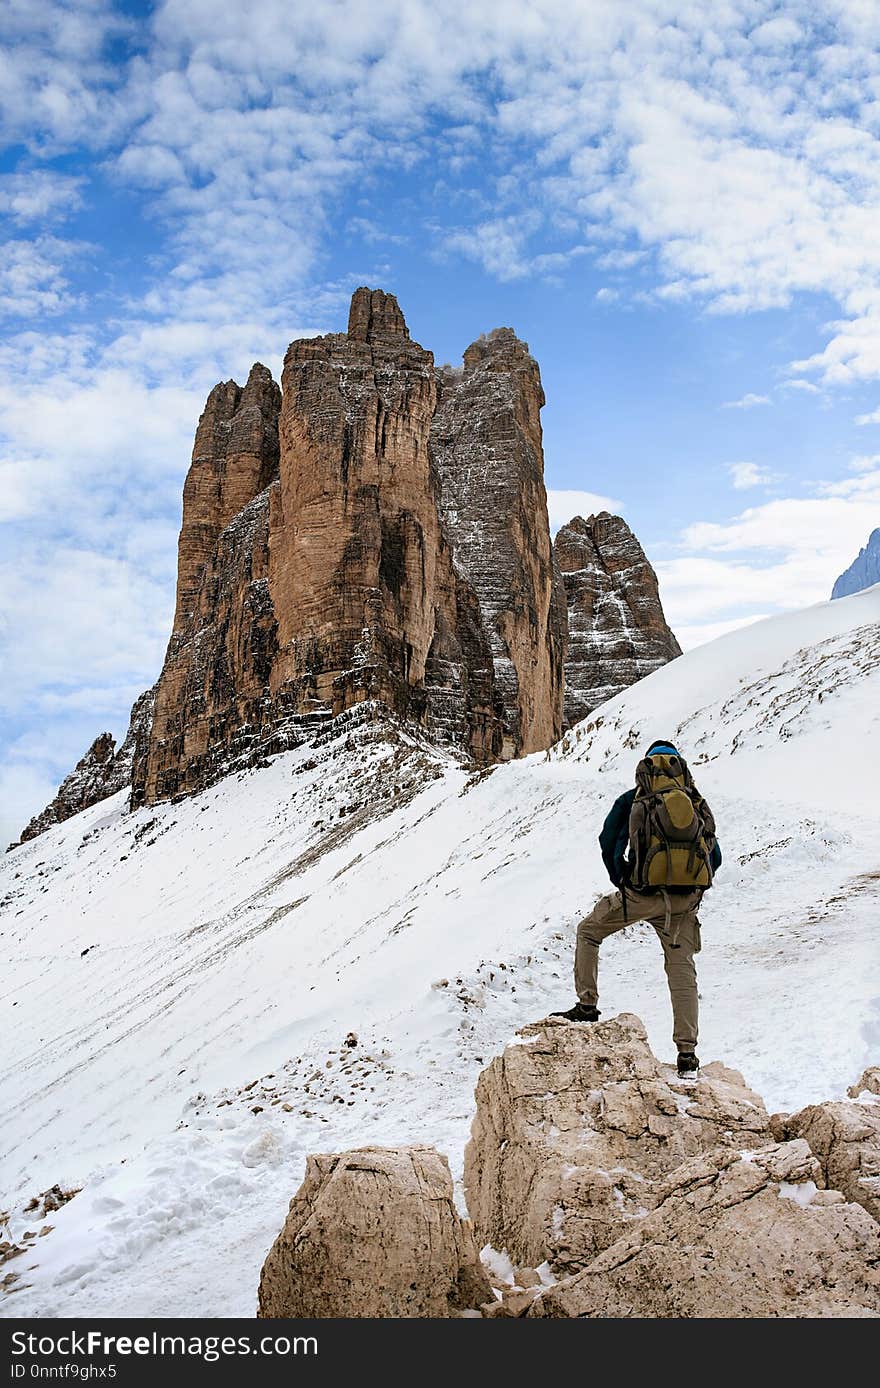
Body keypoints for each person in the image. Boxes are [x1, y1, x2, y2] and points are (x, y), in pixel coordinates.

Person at [553, 739, 722, 1076]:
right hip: (683, 902)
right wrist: (691, 888)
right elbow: (714, 855)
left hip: (640, 895)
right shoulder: (694, 801)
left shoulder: (634, 799)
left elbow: (608, 841)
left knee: (589, 931)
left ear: (647, 767)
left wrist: (623, 879)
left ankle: (587, 1006)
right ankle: (687, 1054)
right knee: (681, 971)